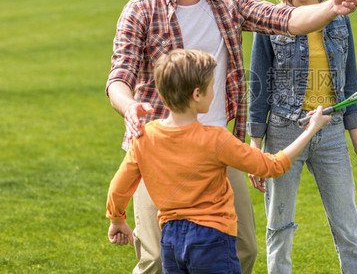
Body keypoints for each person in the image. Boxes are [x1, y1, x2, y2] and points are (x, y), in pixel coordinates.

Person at [105, 0, 357, 274]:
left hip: (217, 147)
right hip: (160, 150)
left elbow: (286, 18)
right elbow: (119, 77)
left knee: (243, 250)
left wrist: (332, 7)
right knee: (157, 259)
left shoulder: (227, 2)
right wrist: (130, 106)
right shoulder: (141, 11)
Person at [106, 49, 332, 274]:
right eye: (212, 87)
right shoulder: (216, 139)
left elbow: (120, 185)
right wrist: (311, 129)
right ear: (197, 95)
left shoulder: (144, 137)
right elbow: (273, 165)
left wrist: (117, 219)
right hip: (212, 239)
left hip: (170, 240)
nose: (215, 93)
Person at [246, 0, 357, 274]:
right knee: (279, 227)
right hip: (283, 133)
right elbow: (257, 85)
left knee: (348, 229)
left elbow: (350, 82)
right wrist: (255, 147)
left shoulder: (339, 18)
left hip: (330, 132)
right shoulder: (271, 19)